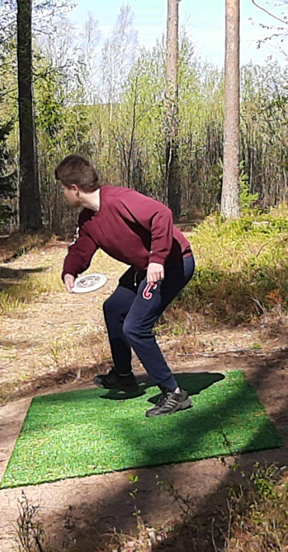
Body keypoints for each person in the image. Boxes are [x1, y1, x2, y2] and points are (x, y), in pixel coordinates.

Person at [56, 154, 196, 417]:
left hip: (174, 263)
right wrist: (70, 272)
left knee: (136, 327)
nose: (64, 194)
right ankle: (123, 376)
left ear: (74, 188)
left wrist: (157, 260)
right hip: (146, 269)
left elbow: (161, 214)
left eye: (63, 189)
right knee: (114, 309)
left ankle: (174, 393)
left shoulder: (119, 199)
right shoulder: (88, 219)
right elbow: (81, 249)